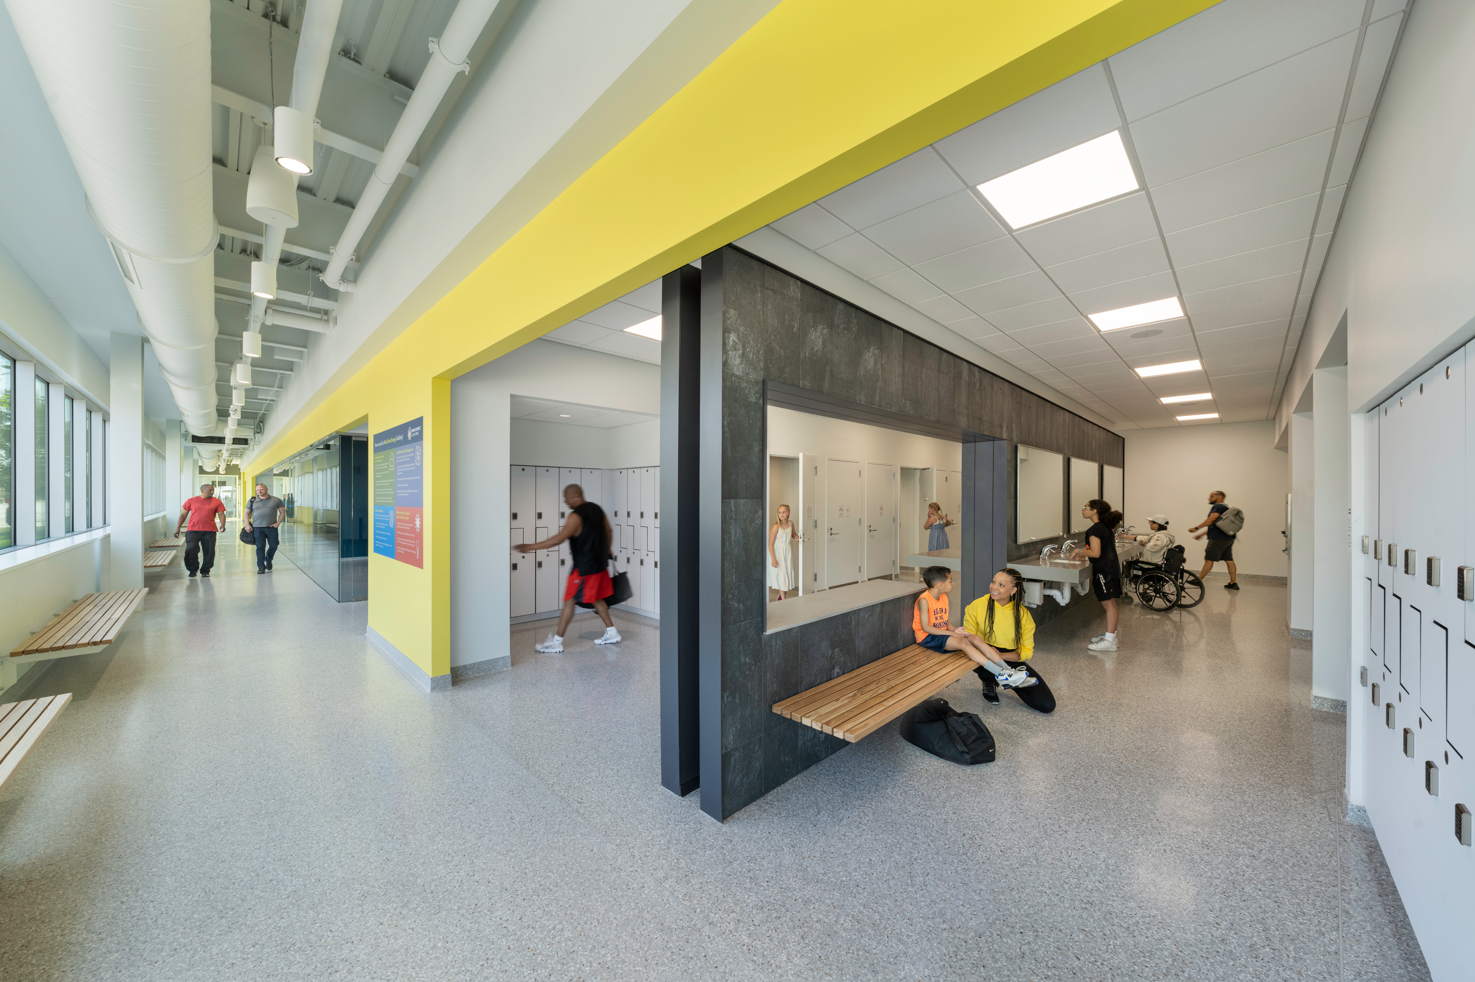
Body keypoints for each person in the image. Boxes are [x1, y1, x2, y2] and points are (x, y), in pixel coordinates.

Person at [516, 484, 621, 652]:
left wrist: (530, 547)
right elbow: (608, 530)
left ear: (577, 496)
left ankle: (556, 642)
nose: (565, 501)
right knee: (596, 599)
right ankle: (612, 632)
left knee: (570, 601)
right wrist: (607, 549)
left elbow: (558, 539)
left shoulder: (576, 516)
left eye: (567, 497)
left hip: (584, 568)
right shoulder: (597, 510)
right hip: (599, 565)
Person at [913, 566, 1030, 689]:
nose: (953, 583)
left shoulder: (943, 597)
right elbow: (926, 628)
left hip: (940, 634)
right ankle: (1000, 674)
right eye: (950, 581)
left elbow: (941, 619)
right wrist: (952, 634)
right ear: (940, 585)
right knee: (964, 642)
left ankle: (1008, 670)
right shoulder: (924, 601)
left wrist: (953, 629)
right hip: (927, 638)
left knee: (974, 638)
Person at [961, 567, 1055, 712]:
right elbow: (968, 638)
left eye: (1001, 585)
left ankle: (1008, 679)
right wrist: (989, 653)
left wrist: (1001, 656)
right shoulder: (977, 606)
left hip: (1008, 658)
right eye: (993, 582)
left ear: (1013, 590)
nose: (994, 587)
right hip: (981, 655)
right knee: (987, 671)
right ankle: (989, 681)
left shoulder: (1023, 616)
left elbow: (1026, 651)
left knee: (1047, 705)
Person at [1072, 498, 1124, 652]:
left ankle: (1109, 642)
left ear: (1094, 511)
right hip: (1110, 569)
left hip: (1104, 571)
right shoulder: (1104, 527)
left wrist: (1078, 551)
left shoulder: (1095, 529)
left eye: (1085, 507)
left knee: (1108, 605)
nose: (1083, 510)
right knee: (1111, 604)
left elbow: (1096, 552)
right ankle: (1110, 636)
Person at [1189, 490, 1239, 590]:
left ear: (1220, 497)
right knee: (1229, 560)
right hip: (1228, 538)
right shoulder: (1226, 508)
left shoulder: (1218, 506)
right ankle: (1233, 583)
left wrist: (1197, 528)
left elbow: (1211, 520)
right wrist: (1202, 534)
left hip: (1218, 539)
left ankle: (1199, 580)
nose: (1209, 498)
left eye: (1211, 496)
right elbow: (1218, 526)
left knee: (1209, 559)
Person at [176, 483, 227, 578]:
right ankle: (192, 569)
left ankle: (205, 570)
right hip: (193, 530)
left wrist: (222, 525)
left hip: (210, 530)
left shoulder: (217, 501)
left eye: (213, 490)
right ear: (202, 491)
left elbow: (221, 514)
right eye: (209, 490)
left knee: (209, 551)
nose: (212, 492)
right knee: (191, 549)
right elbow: (183, 515)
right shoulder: (191, 501)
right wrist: (177, 528)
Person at [244, 483, 286, 574]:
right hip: (257, 528)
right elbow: (246, 513)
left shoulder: (276, 500)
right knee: (260, 547)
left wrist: (278, 523)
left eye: (261, 489)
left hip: (272, 528)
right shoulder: (252, 500)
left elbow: (282, 512)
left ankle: (268, 558)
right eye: (258, 490)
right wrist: (247, 525)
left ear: (266, 489)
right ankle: (261, 567)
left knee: (274, 545)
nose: (259, 491)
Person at [768, 504, 799, 601]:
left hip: (787, 552)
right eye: (779, 512)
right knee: (781, 573)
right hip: (778, 553)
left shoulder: (791, 523)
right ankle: (784, 599)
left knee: (786, 572)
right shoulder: (776, 526)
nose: (781, 514)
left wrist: (796, 537)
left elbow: (793, 534)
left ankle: (781, 595)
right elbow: (771, 543)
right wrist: (773, 558)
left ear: (788, 513)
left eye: (784, 512)